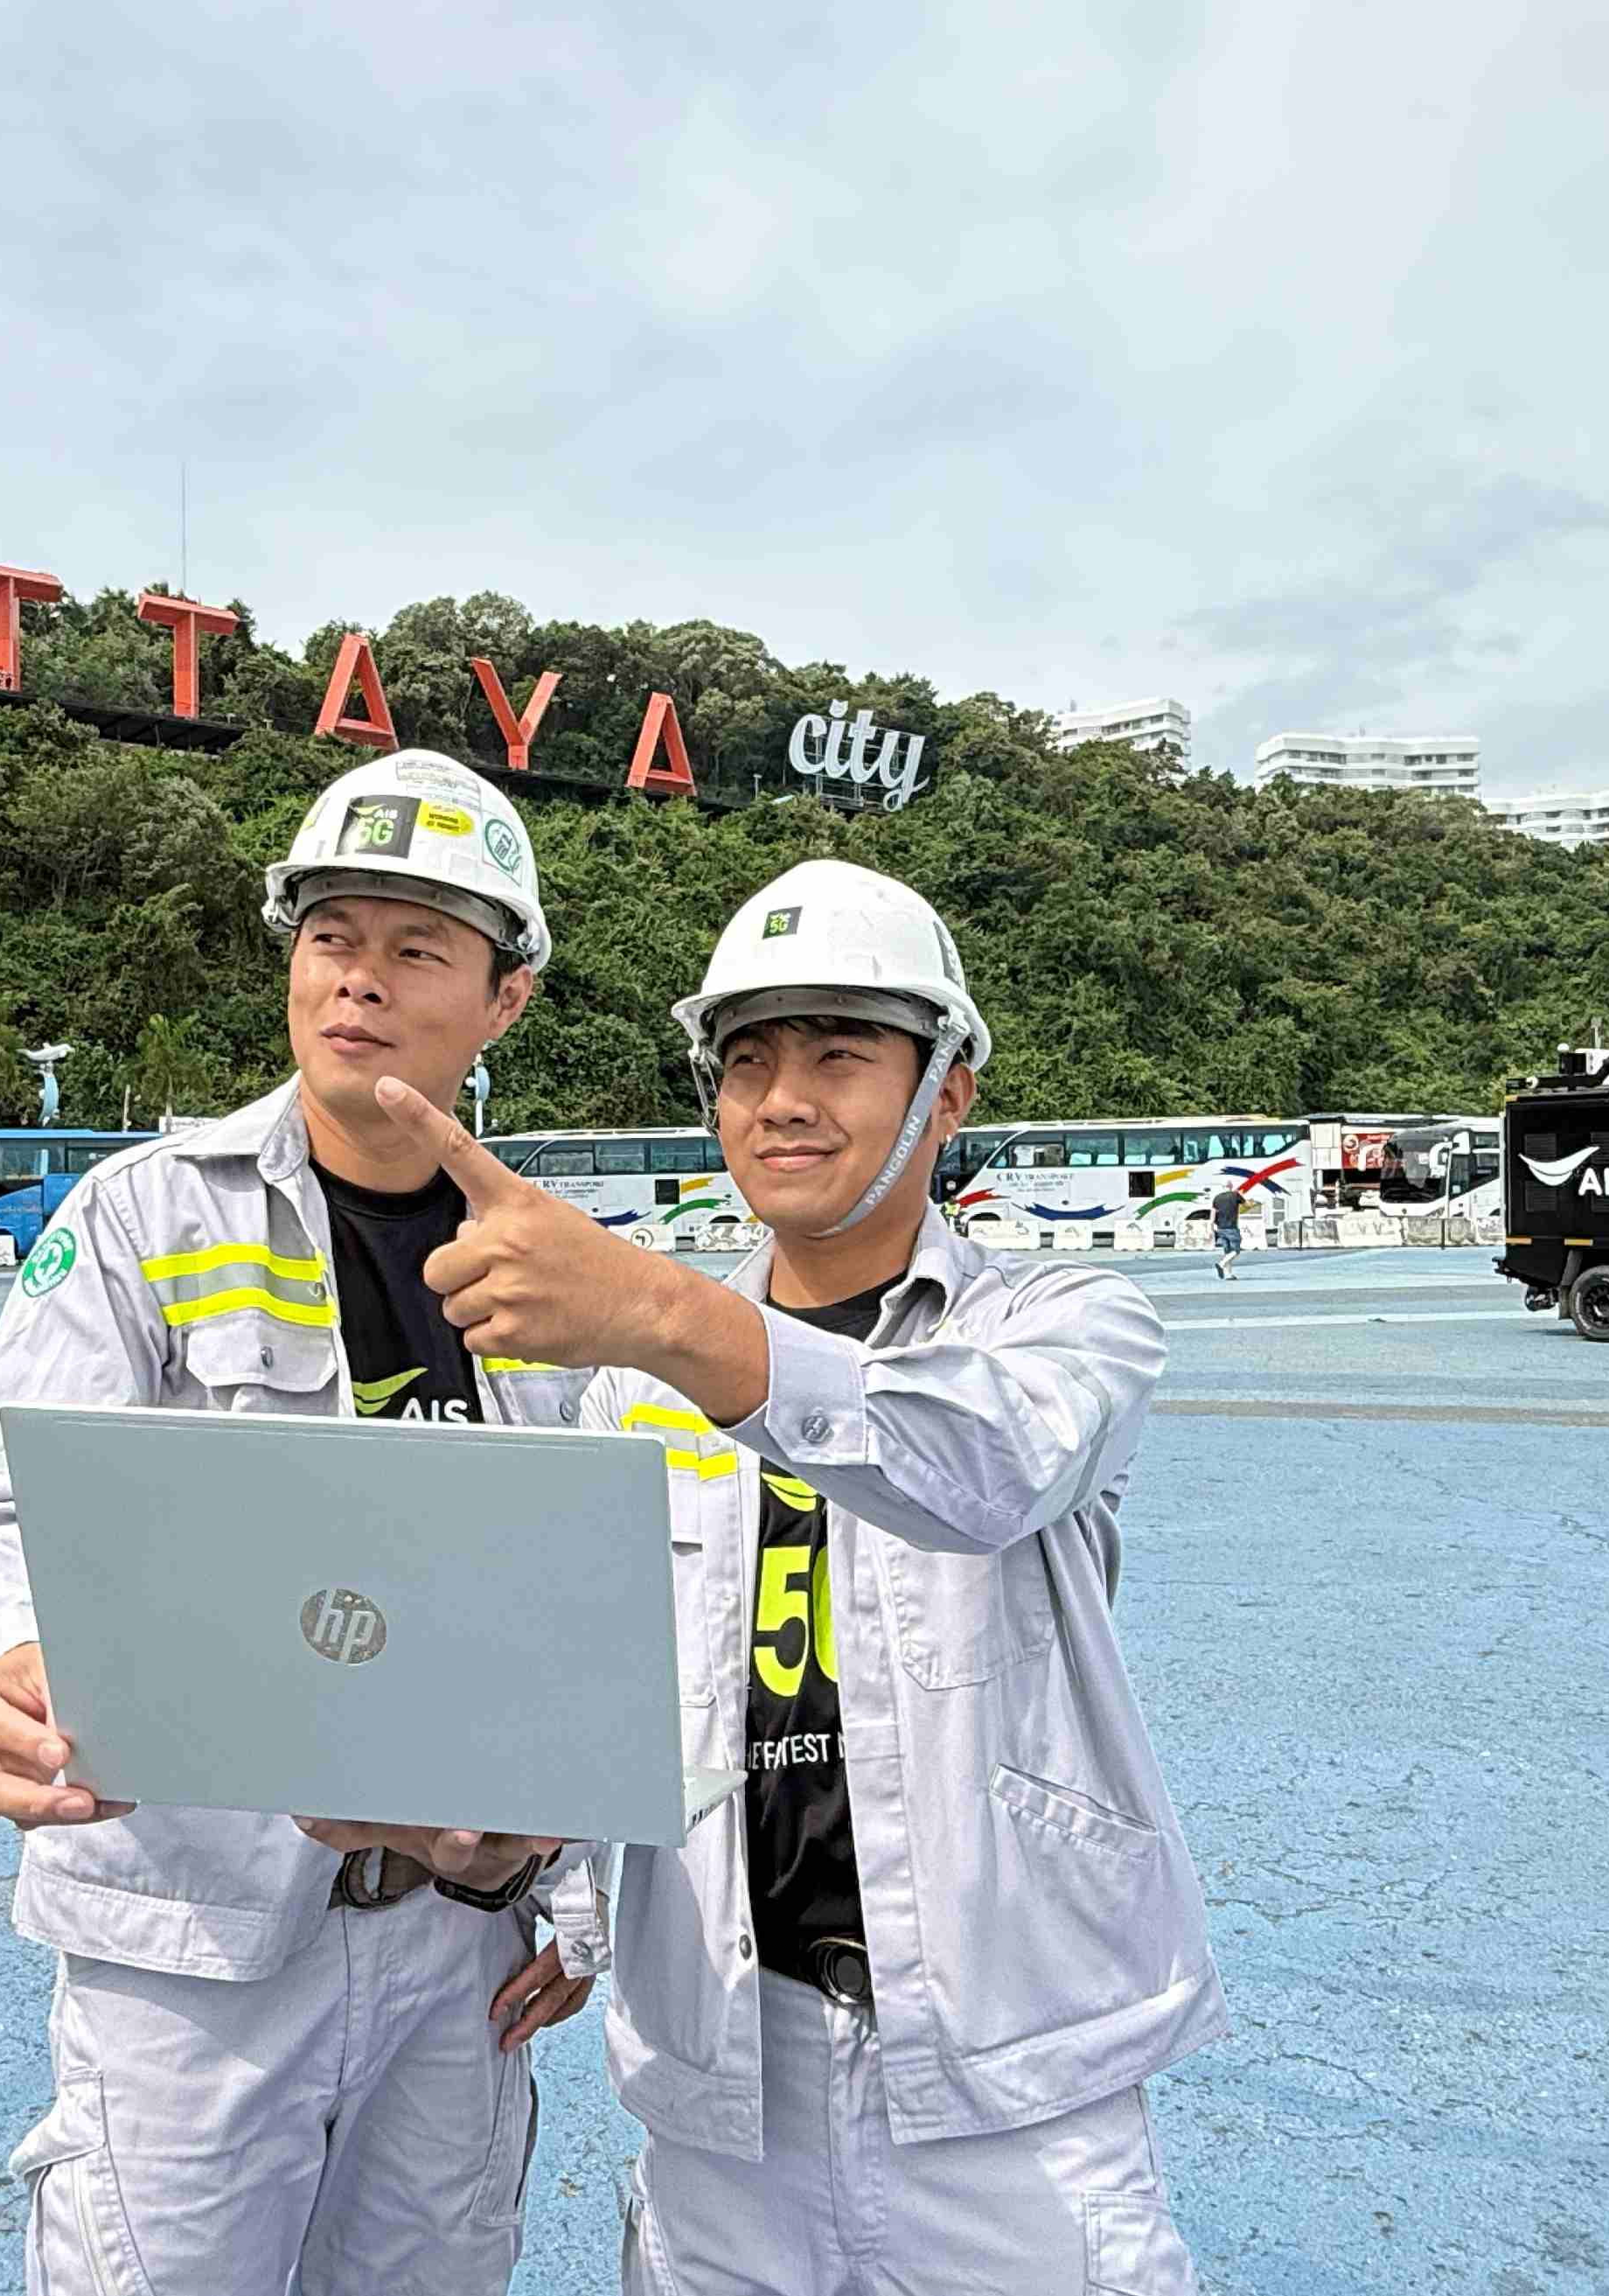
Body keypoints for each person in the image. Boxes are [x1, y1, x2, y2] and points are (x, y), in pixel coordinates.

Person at [335, 857, 1221, 2293]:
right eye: (747, 1061)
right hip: (725, 2085)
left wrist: (656, 1308)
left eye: (839, 1055)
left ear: (948, 1092)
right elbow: (591, 1683)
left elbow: (983, 1465)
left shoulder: (1064, 1322)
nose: (783, 1099)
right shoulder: (634, 1388)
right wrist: (520, 1865)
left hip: (1006, 2091)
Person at [0, 750, 601, 2296]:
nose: (359, 979)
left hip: (464, 1948)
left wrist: (580, 1887)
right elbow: (5, 1501)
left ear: (507, 998)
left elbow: (613, 1599)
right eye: (330, 937)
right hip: (196, 1941)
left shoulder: (562, 1268)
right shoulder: (145, 1216)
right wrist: (3, 1656)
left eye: (417, 948)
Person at [1208, 1174, 1250, 1278]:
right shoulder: (1235, 1195)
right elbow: (1247, 1205)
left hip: (1220, 1228)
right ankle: (1221, 1264)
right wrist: (1242, 1197)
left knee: (1228, 1252)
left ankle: (1228, 1274)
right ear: (1231, 1186)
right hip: (1231, 1228)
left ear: (1223, 1186)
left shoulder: (1217, 1198)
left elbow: (1212, 1214)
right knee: (1236, 1250)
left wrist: (1211, 1228)